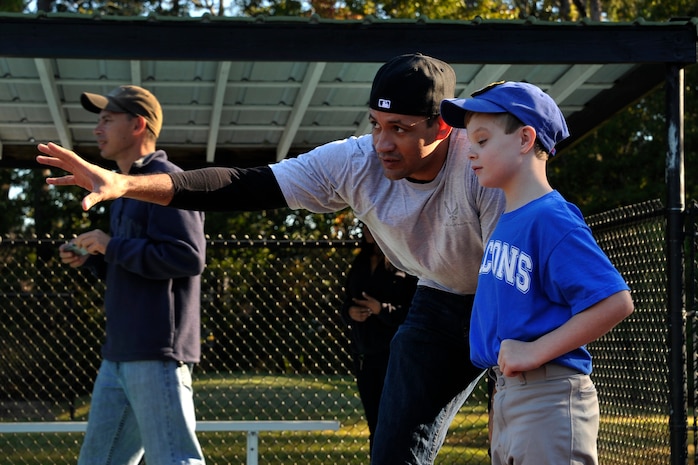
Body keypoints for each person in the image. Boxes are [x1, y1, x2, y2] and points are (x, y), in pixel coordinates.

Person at [37, 53, 506, 465]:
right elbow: (245, 183)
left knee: (515, 434)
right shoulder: (354, 161)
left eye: (400, 129)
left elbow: (517, 272)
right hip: (440, 299)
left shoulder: (479, 166)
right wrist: (125, 186)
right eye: (375, 125)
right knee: (394, 446)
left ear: (442, 126)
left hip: (510, 291)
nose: (383, 143)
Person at [440, 81, 635, 465]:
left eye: (481, 140)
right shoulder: (508, 220)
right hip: (512, 396)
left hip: (548, 394)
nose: (471, 154)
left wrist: (534, 352)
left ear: (526, 138)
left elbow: (616, 301)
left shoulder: (550, 217)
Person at [59, 85, 207, 465]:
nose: (97, 129)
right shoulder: (122, 190)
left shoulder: (167, 182)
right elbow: (137, 262)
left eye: (107, 119)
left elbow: (187, 257)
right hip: (119, 355)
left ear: (138, 124)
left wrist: (110, 246)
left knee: (175, 460)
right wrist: (93, 259)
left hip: (156, 352)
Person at [340, 224, 418, 453]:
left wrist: (381, 309)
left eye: (369, 224)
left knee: (394, 421)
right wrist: (349, 313)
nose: (365, 230)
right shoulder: (360, 262)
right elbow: (347, 300)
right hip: (364, 353)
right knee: (374, 421)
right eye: (362, 225)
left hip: (393, 353)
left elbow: (413, 311)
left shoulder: (403, 263)